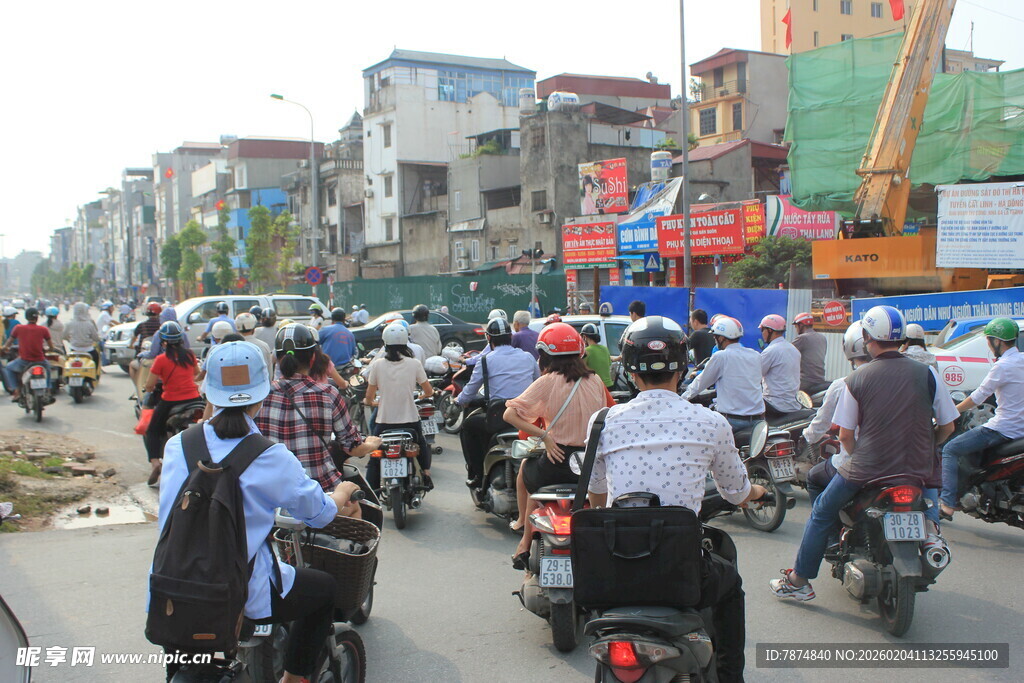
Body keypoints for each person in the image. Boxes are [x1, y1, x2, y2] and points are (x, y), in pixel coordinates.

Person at [154, 340, 364, 683]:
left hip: (171, 588)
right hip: (239, 592)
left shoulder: (178, 446)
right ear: (262, 393)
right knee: (323, 589)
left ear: (209, 391)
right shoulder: (269, 456)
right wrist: (341, 492)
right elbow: (321, 514)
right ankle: (293, 679)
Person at [579, 315, 767, 682]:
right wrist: (756, 493)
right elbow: (736, 491)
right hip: (682, 571)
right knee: (730, 587)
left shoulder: (603, 421)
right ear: (682, 366)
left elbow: (597, 492)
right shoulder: (710, 422)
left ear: (630, 371)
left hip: (615, 568)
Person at [770, 305, 958, 602]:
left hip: (867, 470)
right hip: (918, 468)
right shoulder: (927, 374)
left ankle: (799, 581)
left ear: (867, 336)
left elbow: (845, 436)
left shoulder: (856, 380)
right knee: (929, 498)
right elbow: (948, 426)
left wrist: (864, 457)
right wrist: (926, 447)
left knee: (821, 512)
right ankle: (931, 536)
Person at [505, 323, 614, 565]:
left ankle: (524, 533)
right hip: (590, 468)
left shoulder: (547, 381)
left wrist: (545, 436)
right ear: (580, 352)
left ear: (544, 355)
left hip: (556, 462)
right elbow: (610, 413)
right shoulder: (595, 381)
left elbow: (509, 414)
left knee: (528, 469)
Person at [256, 324, 380, 491]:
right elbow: (353, 447)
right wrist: (372, 444)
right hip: (319, 489)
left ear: (278, 358)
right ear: (313, 358)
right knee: (355, 505)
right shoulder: (328, 393)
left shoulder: (260, 394)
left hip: (271, 489)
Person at [939, 317, 1024, 518]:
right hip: (1020, 430)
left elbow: (977, 397)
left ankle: (948, 503)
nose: (988, 344)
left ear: (998, 342)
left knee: (950, 450)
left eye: (989, 340)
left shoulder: (1002, 366)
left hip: (1003, 429)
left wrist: (952, 412)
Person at [458, 317, 539, 487]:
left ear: (488, 338)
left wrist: (460, 401)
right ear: (511, 336)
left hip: (498, 419)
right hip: (527, 418)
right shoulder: (528, 357)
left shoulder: (486, 360)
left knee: (467, 427)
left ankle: (477, 474)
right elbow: (538, 384)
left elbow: (471, 389)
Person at [364, 322, 435, 491]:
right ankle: (426, 474)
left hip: (384, 423)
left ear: (385, 343)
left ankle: (370, 496)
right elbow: (429, 391)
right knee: (422, 444)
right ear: (405, 342)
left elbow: (369, 396)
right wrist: (423, 395)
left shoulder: (377, 364)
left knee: (374, 459)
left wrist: (371, 402)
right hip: (410, 421)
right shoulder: (414, 364)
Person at [682, 316, 765, 434]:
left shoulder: (721, 356)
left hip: (732, 421)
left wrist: (683, 398)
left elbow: (701, 382)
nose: (715, 340)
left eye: (715, 337)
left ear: (721, 338)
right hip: (758, 420)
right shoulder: (755, 355)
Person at [143, 321, 201, 486]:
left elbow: (149, 385)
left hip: (170, 401)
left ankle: (155, 462)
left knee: (152, 430)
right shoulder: (189, 355)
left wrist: (148, 387)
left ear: (163, 341)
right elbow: (197, 375)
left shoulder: (161, 359)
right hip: (194, 399)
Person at [2, 307, 53, 401]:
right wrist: (48, 349)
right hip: (40, 361)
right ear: (37, 317)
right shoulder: (43, 329)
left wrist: (5, 348)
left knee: (9, 367)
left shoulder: (19, 328)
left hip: (24, 361)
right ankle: (49, 389)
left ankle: (16, 390)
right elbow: (51, 346)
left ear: (26, 317)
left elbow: (9, 341)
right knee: (48, 368)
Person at [758, 314, 803, 417]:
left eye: (762, 330)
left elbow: (755, 375)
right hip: (793, 403)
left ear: (770, 330)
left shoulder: (770, 351)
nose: (762, 334)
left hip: (775, 403)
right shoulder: (793, 350)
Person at [791, 312, 829, 393]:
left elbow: (786, 353)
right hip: (820, 379)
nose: (796, 329)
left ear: (801, 325)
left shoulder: (802, 338)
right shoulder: (822, 338)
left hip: (805, 381)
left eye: (796, 326)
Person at [129, 303, 164, 386]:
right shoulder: (162, 326)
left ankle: (138, 386)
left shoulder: (141, 325)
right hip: (160, 356)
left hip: (145, 357)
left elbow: (134, 338)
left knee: (132, 365)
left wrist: (131, 345)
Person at [64, 302, 102, 369]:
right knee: (96, 358)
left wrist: (70, 340)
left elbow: (64, 336)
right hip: (88, 350)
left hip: (74, 349)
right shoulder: (89, 324)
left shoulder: (69, 323)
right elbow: (96, 338)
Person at [580, 323, 612, 388]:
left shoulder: (586, 351)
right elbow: (609, 363)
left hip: (595, 386)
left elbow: (582, 368)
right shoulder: (605, 348)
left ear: (585, 337)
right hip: (609, 385)